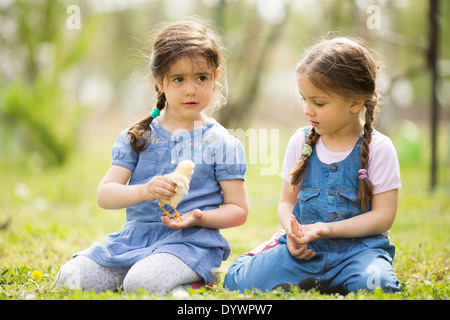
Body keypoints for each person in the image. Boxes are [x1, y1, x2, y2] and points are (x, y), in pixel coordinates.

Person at [55, 20, 248, 294]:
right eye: (179, 79)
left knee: (142, 283)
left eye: (201, 78)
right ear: (159, 81)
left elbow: (239, 210)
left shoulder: (222, 142)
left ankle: (191, 281)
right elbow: (105, 195)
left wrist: (199, 217)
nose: (191, 89)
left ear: (215, 77)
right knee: (72, 278)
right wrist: (144, 190)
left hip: (190, 244)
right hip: (134, 241)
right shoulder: (138, 136)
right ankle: (151, 277)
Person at [223, 37, 402, 294]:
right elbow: (286, 203)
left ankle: (328, 281)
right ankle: (287, 259)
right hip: (306, 253)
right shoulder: (301, 141)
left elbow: (384, 217)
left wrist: (328, 229)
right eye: (304, 100)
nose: (308, 110)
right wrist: (292, 233)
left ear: (355, 102)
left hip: (359, 252)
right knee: (236, 281)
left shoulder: (379, 148)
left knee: (378, 287)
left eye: (318, 103)